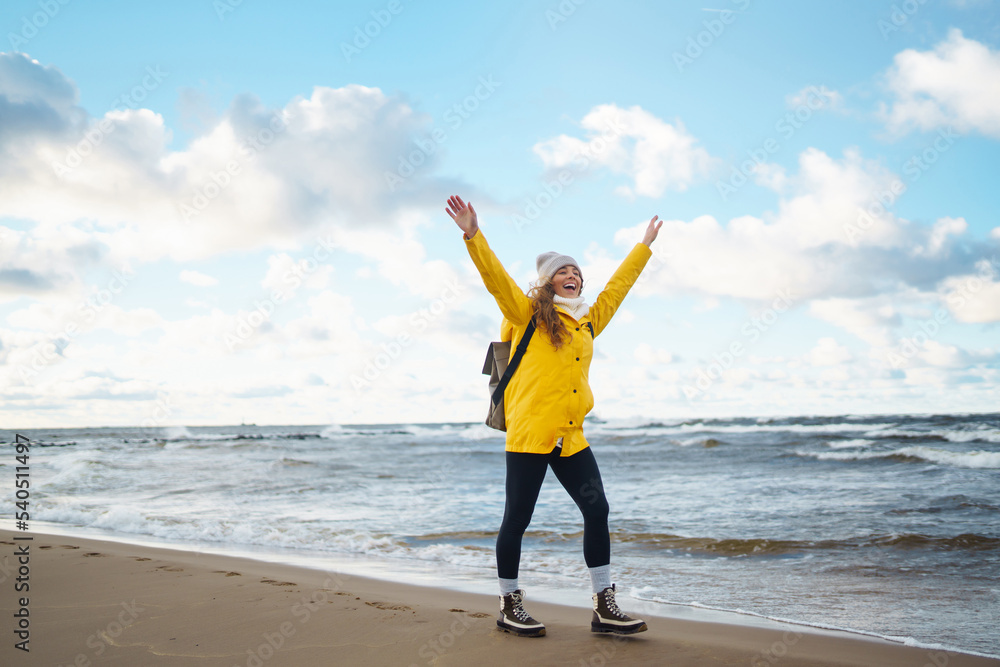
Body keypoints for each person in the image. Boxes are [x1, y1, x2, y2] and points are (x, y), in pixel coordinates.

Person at [446, 195, 662, 638]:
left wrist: (643, 247)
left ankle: (604, 606)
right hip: (530, 435)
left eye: (576, 271)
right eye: (563, 271)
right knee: (517, 520)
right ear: (548, 282)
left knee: (597, 509)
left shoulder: (587, 321)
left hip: (571, 437)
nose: (572, 276)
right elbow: (497, 280)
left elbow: (617, 289)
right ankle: (510, 603)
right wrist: (473, 234)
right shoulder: (526, 314)